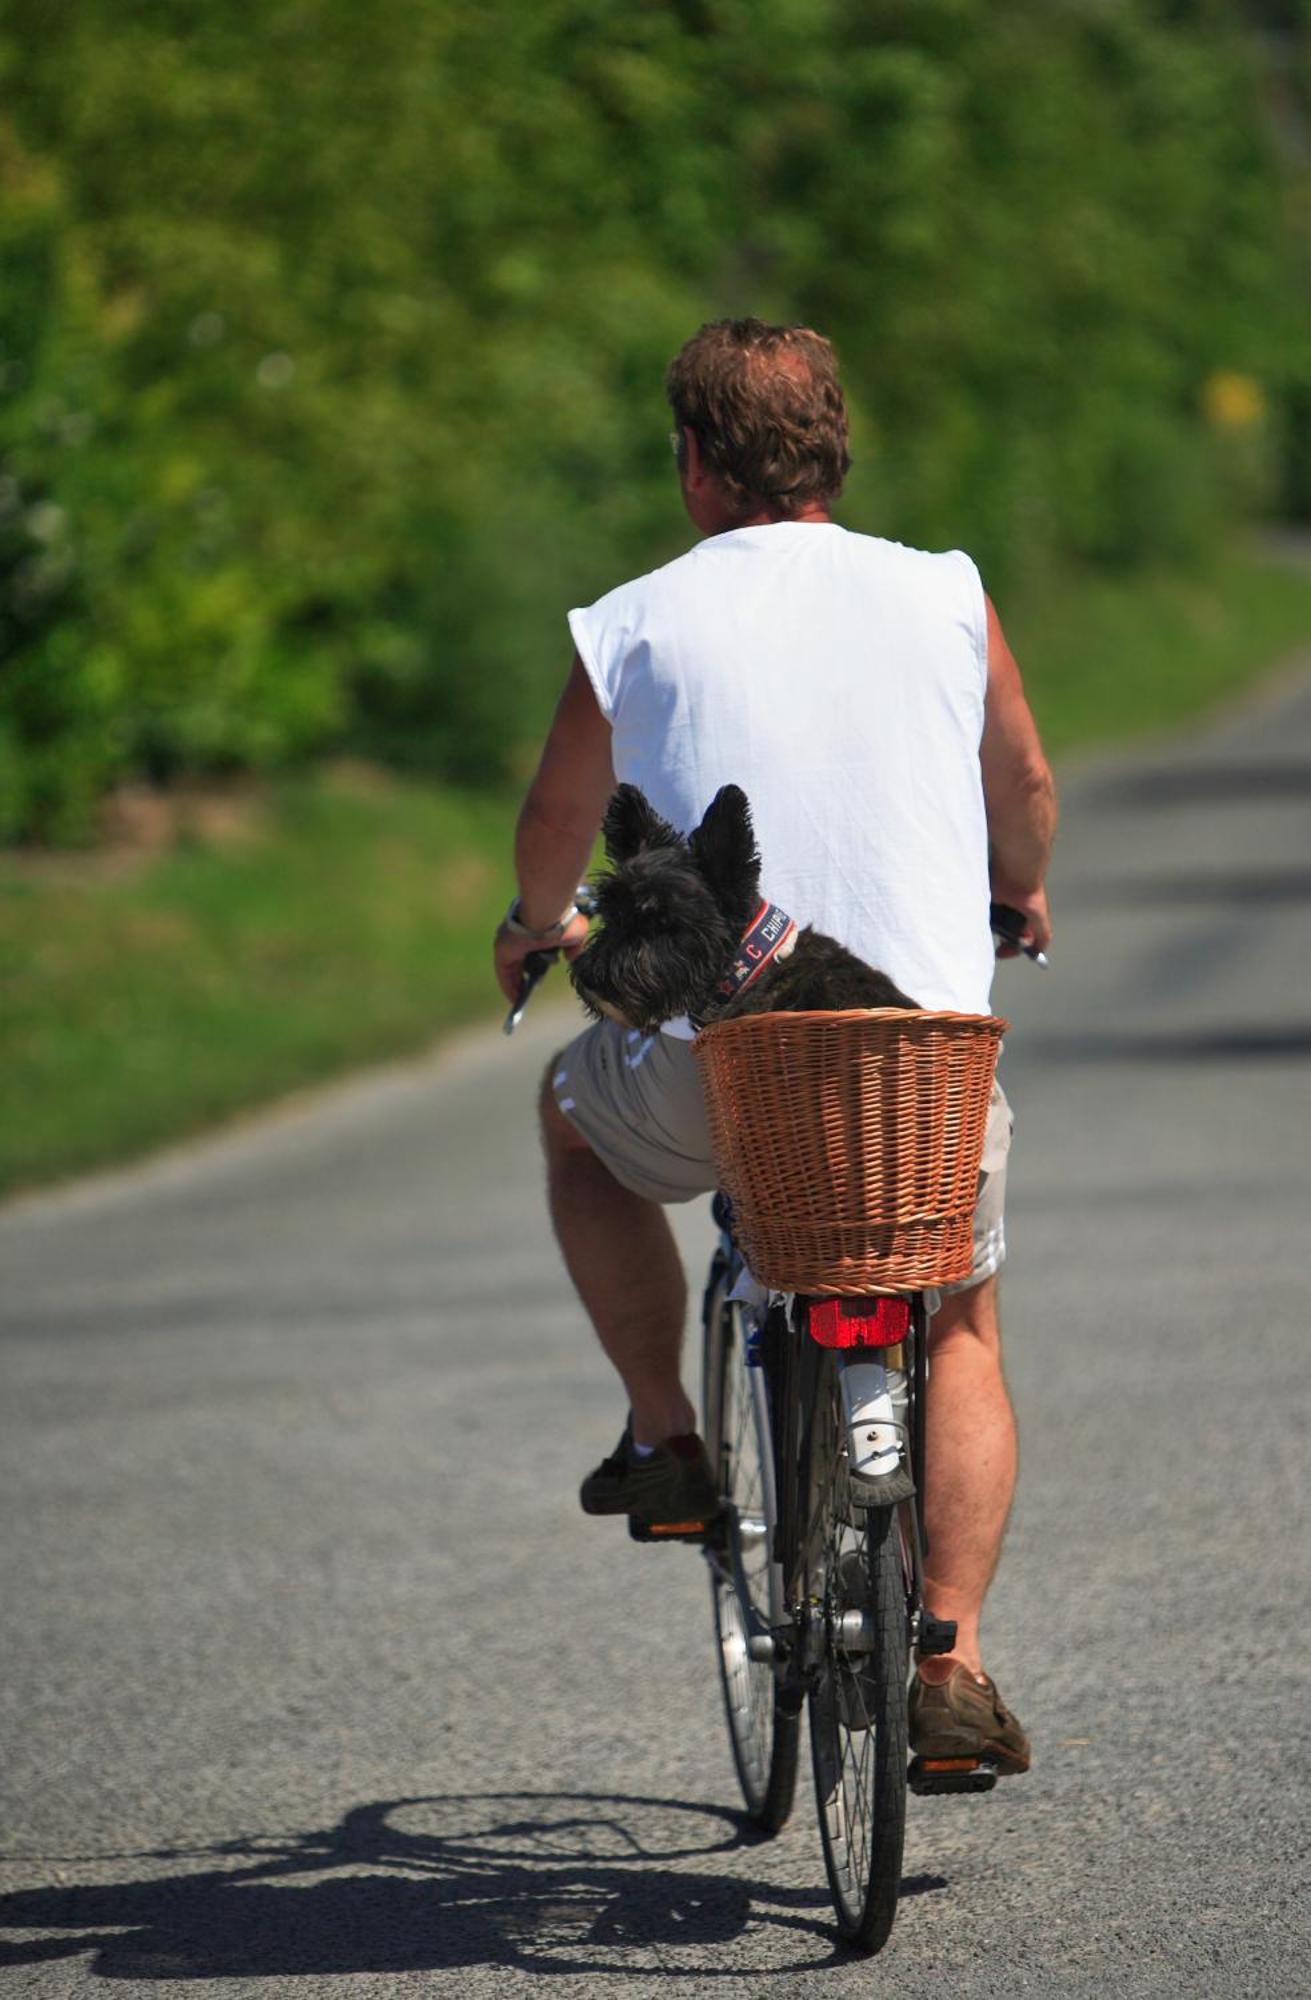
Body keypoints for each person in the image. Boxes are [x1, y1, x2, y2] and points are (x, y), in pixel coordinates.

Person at [493, 318, 1056, 1773]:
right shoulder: (944, 592)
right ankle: (951, 1658)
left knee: (573, 1122)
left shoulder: (630, 621)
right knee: (957, 1314)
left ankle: (667, 1436)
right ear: (834, 452)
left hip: (720, 1069)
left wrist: (534, 925)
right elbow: (1024, 776)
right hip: (914, 1068)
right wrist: (1021, 888)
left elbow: (559, 826)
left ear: (692, 466)